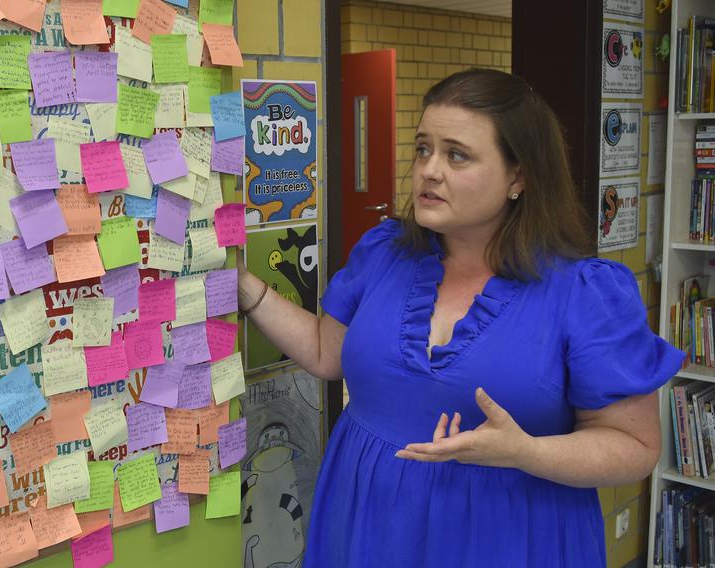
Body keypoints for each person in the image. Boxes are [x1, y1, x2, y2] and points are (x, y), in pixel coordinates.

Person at [236, 68, 685, 567]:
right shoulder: (384, 253)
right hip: (368, 522)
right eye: (423, 148)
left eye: (457, 154)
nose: (429, 170)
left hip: (508, 537)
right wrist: (241, 284)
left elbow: (636, 446)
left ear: (519, 176)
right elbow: (324, 352)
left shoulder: (584, 293)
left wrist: (527, 453)